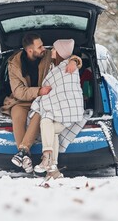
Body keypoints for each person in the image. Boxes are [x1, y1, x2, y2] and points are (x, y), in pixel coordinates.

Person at [0, 33, 82, 173]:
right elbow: (18, 91)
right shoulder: (14, 64)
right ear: (30, 50)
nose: (44, 48)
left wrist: (74, 61)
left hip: (43, 100)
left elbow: (67, 55)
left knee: (40, 113)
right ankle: (24, 154)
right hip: (21, 100)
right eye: (40, 46)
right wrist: (39, 91)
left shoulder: (48, 55)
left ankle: (23, 152)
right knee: (17, 115)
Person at [31, 39, 86, 179]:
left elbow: (76, 60)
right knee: (49, 126)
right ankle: (53, 169)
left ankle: (47, 159)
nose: (52, 51)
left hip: (68, 112)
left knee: (45, 123)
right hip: (55, 109)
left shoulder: (69, 67)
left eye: (55, 49)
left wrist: (74, 61)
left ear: (61, 52)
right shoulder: (52, 66)